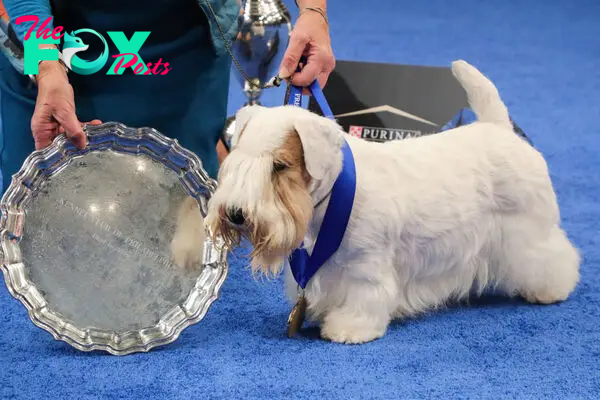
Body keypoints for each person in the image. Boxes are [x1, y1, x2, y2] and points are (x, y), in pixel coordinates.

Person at [0, 0, 334, 192]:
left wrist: (313, 13)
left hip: (178, 40)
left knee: (180, 234)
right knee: (34, 230)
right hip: (52, 41)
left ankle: (205, 141)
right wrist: (45, 63)